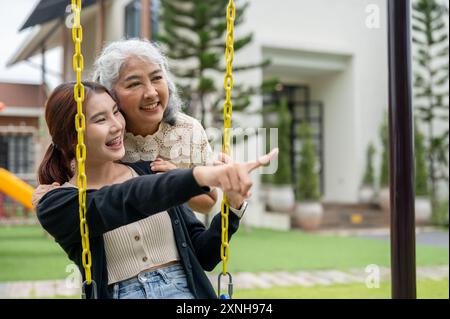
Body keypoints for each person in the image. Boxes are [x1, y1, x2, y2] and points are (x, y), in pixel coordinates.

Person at [36, 81, 278, 299]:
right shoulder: (55, 203)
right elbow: (118, 201)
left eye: (116, 112)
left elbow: (205, 255)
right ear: (70, 137)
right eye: (100, 119)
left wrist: (232, 207)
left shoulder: (152, 172)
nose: (116, 125)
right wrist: (200, 175)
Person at [33, 38, 218, 214]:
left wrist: (175, 180)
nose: (151, 93)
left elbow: (209, 201)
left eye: (156, 78)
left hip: (177, 234)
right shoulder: (106, 139)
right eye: (134, 84)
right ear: (110, 94)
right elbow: (74, 188)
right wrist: (49, 197)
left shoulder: (187, 129)